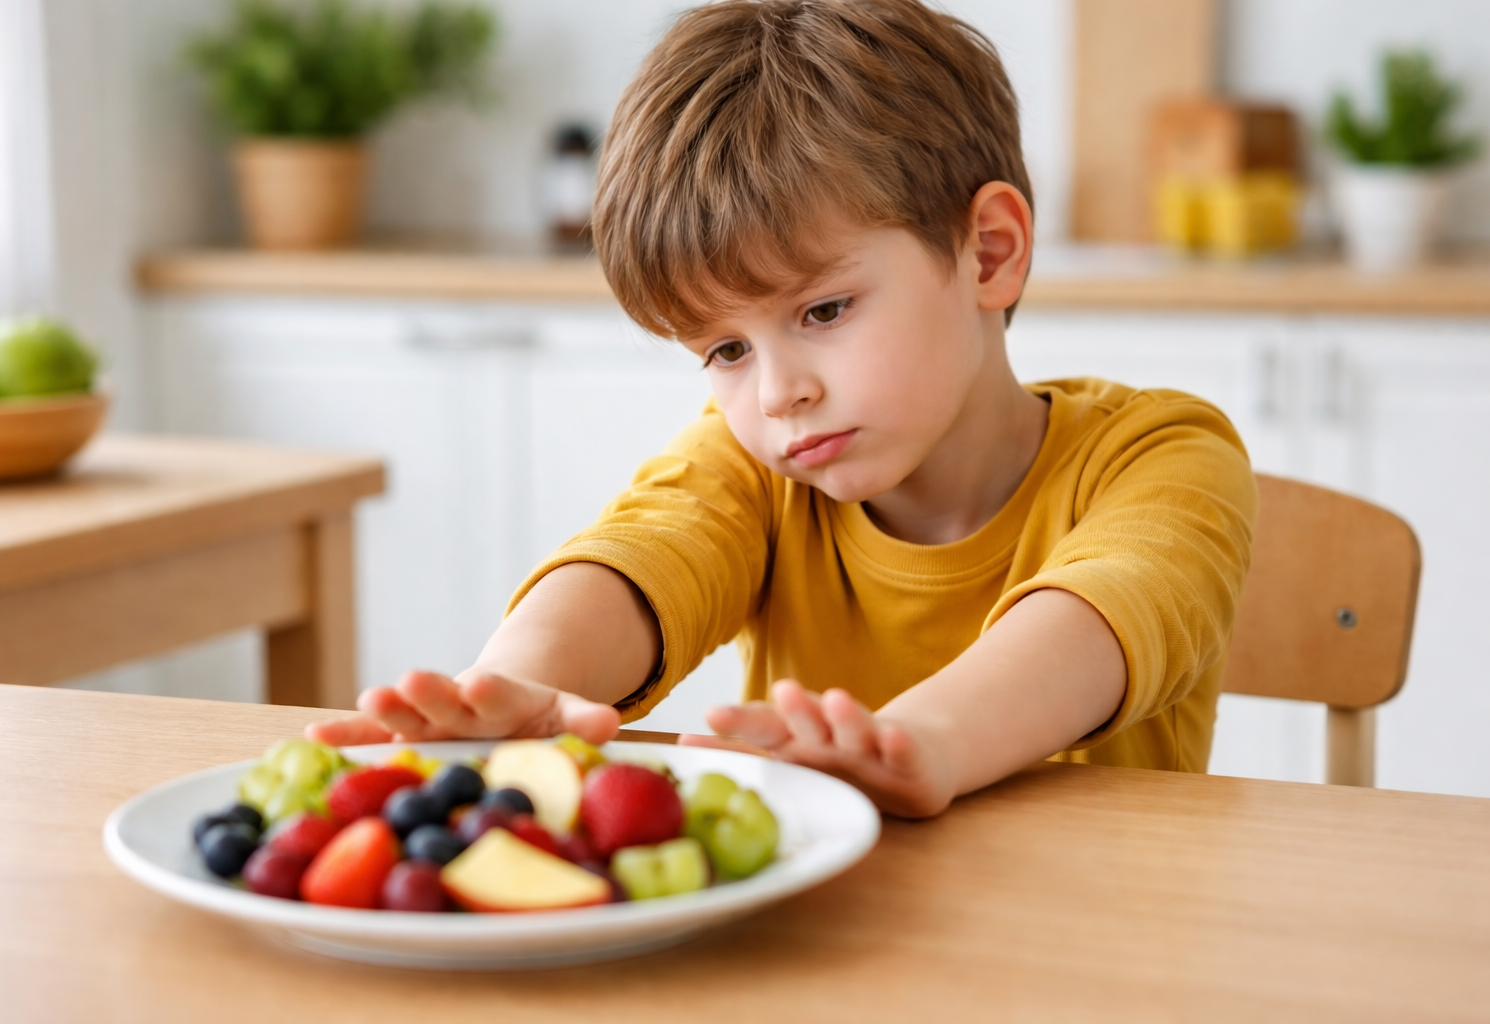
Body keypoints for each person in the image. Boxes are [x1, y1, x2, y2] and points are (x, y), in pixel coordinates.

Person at [309, 0, 1256, 818]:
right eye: (726, 349)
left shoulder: (1166, 456)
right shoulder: (757, 467)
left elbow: (1095, 618)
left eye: (824, 310)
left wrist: (916, 744)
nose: (776, 392)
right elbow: (644, 552)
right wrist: (514, 684)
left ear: (990, 253)